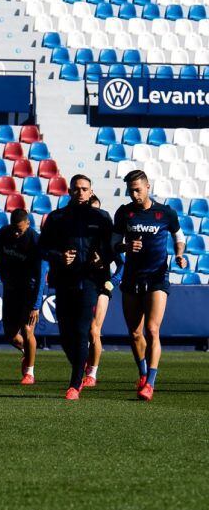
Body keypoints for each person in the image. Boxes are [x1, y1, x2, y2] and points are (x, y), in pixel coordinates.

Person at [112, 170, 187, 401]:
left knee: (152, 329)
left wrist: (179, 255)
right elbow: (114, 243)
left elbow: (179, 236)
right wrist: (125, 247)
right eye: (130, 190)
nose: (134, 194)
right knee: (135, 333)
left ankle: (150, 384)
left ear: (148, 187)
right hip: (132, 278)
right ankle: (143, 374)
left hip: (157, 277)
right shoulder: (124, 213)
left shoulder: (165, 213)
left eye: (137, 189)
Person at [39, 175, 113, 400]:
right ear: (69, 191)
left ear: (91, 192)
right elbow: (42, 249)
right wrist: (59, 256)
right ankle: (80, 368)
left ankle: (74, 385)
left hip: (89, 281)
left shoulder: (101, 218)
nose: (81, 192)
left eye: (85, 189)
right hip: (63, 282)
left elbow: (112, 250)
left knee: (82, 332)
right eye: (77, 189)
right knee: (65, 336)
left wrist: (102, 259)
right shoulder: (57, 218)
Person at [0, 208, 48, 385]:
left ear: (28, 224)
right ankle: (28, 351)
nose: (16, 233)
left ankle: (29, 373)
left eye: (20, 229)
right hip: (11, 289)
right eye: (14, 228)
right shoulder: (4, 233)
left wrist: (36, 305)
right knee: (9, 335)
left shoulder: (36, 241)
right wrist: (4, 279)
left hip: (29, 291)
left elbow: (41, 275)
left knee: (26, 330)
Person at [83, 196, 125, 388]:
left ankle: (92, 373)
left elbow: (122, 264)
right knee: (82, 331)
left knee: (94, 330)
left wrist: (112, 282)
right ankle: (84, 364)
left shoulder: (108, 242)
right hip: (82, 285)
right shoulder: (80, 239)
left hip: (101, 286)